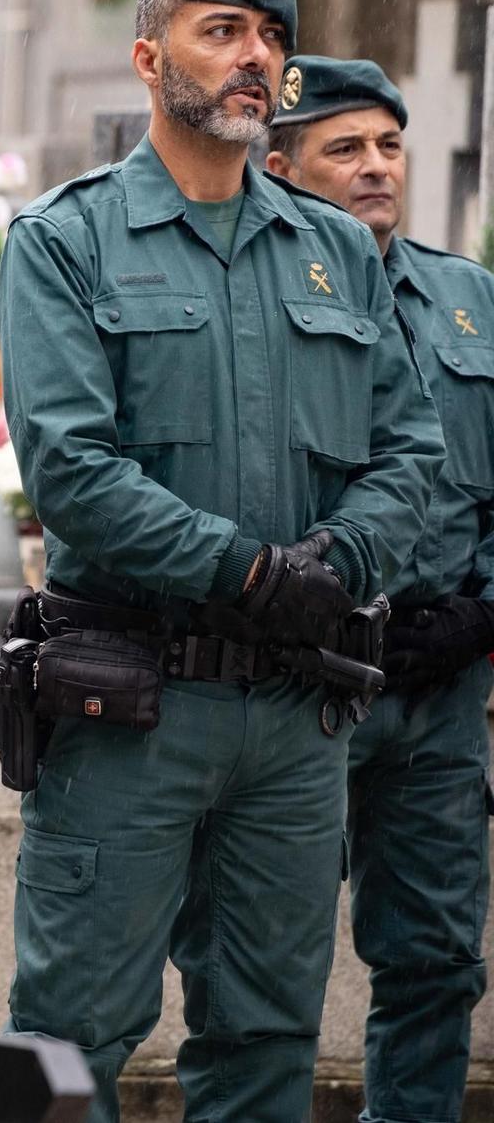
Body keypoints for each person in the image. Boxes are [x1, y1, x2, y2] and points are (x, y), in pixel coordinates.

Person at [0, 0, 442, 1120]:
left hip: (293, 724)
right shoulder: (65, 241)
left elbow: (414, 451)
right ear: (150, 59)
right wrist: (248, 573)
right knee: (66, 1042)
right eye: (220, 30)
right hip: (130, 708)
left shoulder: (332, 256)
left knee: (264, 1042)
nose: (252, 58)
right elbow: (73, 470)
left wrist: (337, 562)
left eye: (266, 38)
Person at [268, 57, 494, 1123]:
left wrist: (479, 610)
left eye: (386, 146)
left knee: (436, 958)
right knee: (263, 964)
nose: (373, 169)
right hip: (296, 679)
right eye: (341, 148)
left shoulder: (468, 299)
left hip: (437, 690)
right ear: (278, 166)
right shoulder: (257, 300)